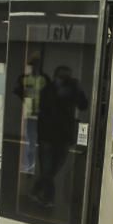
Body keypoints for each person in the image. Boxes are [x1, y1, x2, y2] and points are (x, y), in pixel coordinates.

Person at [32, 65, 89, 207]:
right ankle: (48, 198)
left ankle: (35, 191)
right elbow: (42, 108)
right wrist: (58, 93)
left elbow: (83, 105)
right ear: (56, 77)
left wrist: (77, 89)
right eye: (63, 77)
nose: (65, 81)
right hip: (47, 136)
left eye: (67, 78)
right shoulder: (47, 90)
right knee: (47, 168)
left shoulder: (72, 91)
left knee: (54, 168)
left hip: (64, 136)